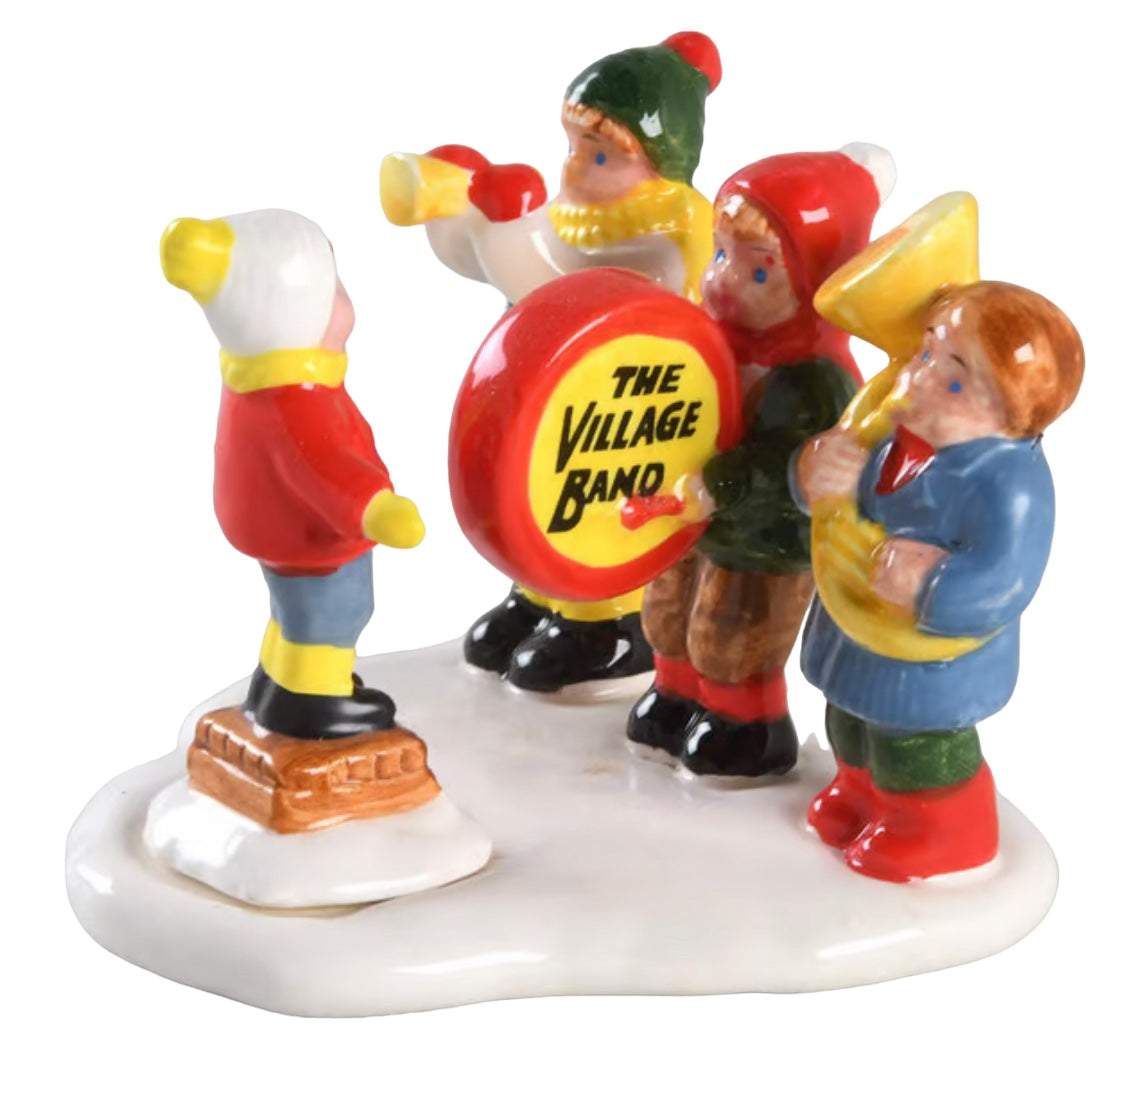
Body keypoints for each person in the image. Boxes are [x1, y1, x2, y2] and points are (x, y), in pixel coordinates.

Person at [381, 32, 721, 693]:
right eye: (573, 148)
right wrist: (459, 218)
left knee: (596, 511)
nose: (574, 171)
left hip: (630, 414)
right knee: (534, 492)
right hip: (554, 399)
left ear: (660, 164)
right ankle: (539, 595)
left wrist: (501, 227)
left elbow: (568, 291)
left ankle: (609, 625)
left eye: (601, 155)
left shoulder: (674, 230)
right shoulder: (578, 220)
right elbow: (511, 270)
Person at [795, 273, 1084, 880]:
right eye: (926, 354)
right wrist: (816, 472)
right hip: (855, 625)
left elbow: (1009, 579)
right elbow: (831, 498)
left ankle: (944, 831)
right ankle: (859, 795)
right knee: (847, 722)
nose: (921, 377)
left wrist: (932, 584)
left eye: (953, 379)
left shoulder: (1011, 483)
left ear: (1010, 414)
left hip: (930, 662)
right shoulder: (886, 431)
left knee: (915, 745)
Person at [627, 144, 894, 776]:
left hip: (764, 541)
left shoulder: (813, 380)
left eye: (759, 271)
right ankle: (676, 694)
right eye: (720, 254)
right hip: (690, 519)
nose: (721, 278)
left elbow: (792, 465)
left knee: (732, 631)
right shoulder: (703, 345)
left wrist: (723, 482)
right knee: (668, 610)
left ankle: (747, 725)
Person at [160, 209, 425, 738]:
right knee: (339, 612)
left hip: (284, 537)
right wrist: (376, 508)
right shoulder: (294, 403)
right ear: (297, 310)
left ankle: (279, 680)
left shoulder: (256, 383)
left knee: (293, 612)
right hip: (317, 539)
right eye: (334, 290)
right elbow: (322, 469)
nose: (346, 302)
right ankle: (314, 699)